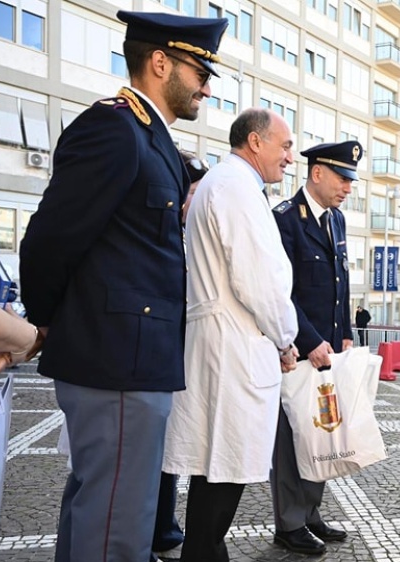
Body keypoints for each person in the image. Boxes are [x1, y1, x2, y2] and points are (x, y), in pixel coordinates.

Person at [17, 11, 227, 562]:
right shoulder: (113, 128)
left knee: (102, 513)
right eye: (199, 70)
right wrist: (44, 322)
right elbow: (50, 239)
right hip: (116, 361)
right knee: (116, 526)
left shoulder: (151, 139)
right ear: (161, 62)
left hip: (133, 359)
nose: (206, 85)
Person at [161, 108, 299, 562]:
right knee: (221, 478)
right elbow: (259, 280)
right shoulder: (237, 186)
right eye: (285, 146)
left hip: (224, 343)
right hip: (234, 347)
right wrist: (285, 337)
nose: (290, 158)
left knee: (215, 475)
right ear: (255, 142)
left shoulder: (226, 183)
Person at [269, 139, 363, 555]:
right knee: (292, 439)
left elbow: (339, 285)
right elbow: (280, 293)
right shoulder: (286, 221)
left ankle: (310, 514)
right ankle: (289, 523)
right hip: (298, 349)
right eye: (343, 178)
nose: (348, 187)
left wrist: (344, 333)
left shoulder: (337, 220)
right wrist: (309, 342)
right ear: (318, 173)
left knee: (322, 431)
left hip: (329, 348)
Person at [149, 150, 210, 561]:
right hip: (154, 356)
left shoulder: (189, 235)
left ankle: (163, 529)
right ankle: (150, 533)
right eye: (192, 192)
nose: (195, 202)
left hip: (178, 358)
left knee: (167, 451)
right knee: (150, 455)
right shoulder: (160, 234)